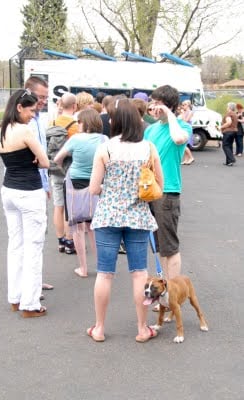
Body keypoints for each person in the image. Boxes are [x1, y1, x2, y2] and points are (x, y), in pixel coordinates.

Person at [87, 98, 163, 342]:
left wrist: (110, 191)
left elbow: (93, 188)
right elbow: (159, 184)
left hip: (108, 216)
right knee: (139, 273)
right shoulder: (149, 148)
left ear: (115, 121)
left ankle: (99, 328)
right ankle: (142, 328)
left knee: (104, 274)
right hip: (139, 217)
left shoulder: (105, 148)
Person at [0, 89, 50, 317]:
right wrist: (37, 160)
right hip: (29, 192)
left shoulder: (1, 130)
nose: (33, 115)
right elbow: (45, 162)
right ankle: (30, 303)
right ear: (20, 107)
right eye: (31, 110)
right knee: (34, 247)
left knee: (15, 245)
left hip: (8, 190)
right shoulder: (25, 131)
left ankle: (16, 297)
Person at [144, 85, 192, 281]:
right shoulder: (151, 129)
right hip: (149, 191)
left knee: (169, 247)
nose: (154, 108)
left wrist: (170, 115)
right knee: (159, 247)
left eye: (159, 104)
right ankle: (165, 292)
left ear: (171, 106)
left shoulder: (183, 127)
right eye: (152, 103)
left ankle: (172, 298)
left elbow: (179, 138)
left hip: (168, 192)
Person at [54, 108, 108, 278]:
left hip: (74, 183)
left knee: (77, 226)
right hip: (97, 182)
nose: (77, 124)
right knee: (94, 225)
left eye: (79, 121)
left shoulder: (75, 139)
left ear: (85, 122)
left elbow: (57, 159)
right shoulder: (103, 139)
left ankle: (83, 268)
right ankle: (101, 267)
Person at [24, 76, 53, 291]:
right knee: (31, 239)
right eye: (40, 96)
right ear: (28, 92)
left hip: (38, 184)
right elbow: (36, 158)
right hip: (27, 186)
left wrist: (46, 185)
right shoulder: (23, 121)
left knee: (36, 238)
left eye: (45, 97)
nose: (43, 100)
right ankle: (30, 288)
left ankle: (34, 280)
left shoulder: (37, 118)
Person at [50, 92, 78, 254]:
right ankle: (69, 241)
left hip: (54, 167)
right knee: (70, 207)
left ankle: (60, 240)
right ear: (74, 106)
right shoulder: (75, 125)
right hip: (70, 168)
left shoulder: (52, 122)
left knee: (58, 205)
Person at [221, 102, 238, 166]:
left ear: (229, 107)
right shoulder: (234, 114)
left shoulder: (229, 114)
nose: (226, 108)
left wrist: (221, 127)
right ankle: (228, 162)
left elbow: (229, 122)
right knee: (229, 146)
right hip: (234, 131)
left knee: (225, 146)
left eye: (227, 106)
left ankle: (231, 159)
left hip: (228, 132)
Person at [180, 100, 195, 165]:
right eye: (182, 105)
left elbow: (186, 120)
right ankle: (186, 159)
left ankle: (191, 157)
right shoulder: (185, 112)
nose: (183, 106)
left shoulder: (190, 112)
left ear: (188, 105)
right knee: (185, 144)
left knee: (184, 145)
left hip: (187, 129)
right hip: (183, 128)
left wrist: (182, 114)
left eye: (184, 105)